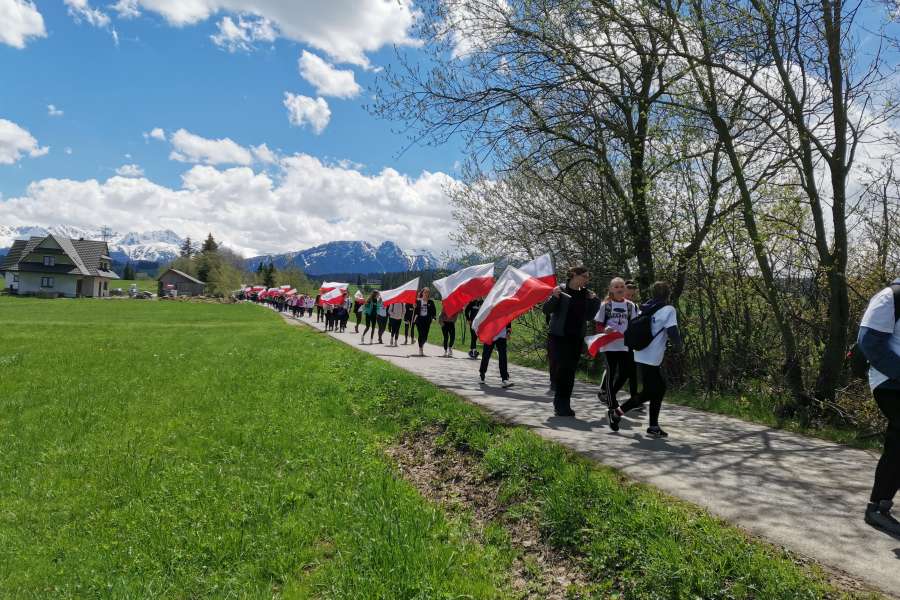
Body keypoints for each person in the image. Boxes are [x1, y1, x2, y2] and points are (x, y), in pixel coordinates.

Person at [608, 281, 682, 438]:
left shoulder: (646, 307)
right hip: (651, 356)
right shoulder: (669, 309)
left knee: (657, 389)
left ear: (653, 293)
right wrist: (679, 347)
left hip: (640, 353)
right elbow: (673, 331)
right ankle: (617, 413)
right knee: (652, 391)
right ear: (668, 294)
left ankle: (653, 426)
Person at [858, 278, 900, 536]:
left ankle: (880, 506)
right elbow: (869, 343)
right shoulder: (891, 297)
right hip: (889, 382)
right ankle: (876, 508)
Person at [542, 266, 601, 417]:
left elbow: (589, 316)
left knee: (569, 372)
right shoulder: (561, 290)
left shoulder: (586, 294)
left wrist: (595, 301)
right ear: (574, 275)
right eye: (584, 276)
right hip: (559, 336)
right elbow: (546, 310)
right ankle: (559, 404)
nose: (587, 280)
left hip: (576, 338)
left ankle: (564, 404)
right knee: (562, 369)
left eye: (588, 277)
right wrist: (554, 297)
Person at [594, 277, 638, 415]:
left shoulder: (630, 306)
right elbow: (598, 325)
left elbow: (634, 324)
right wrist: (604, 329)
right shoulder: (605, 305)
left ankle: (609, 394)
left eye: (621, 286)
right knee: (611, 372)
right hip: (609, 344)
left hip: (624, 344)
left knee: (625, 372)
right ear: (611, 289)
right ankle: (612, 402)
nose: (619, 289)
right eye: (616, 287)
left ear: (625, 289)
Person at [412, 288, 437, 357]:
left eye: (427, 292)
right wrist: (414, 306)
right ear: (422, 293)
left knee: (425, 337)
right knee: (420, 334)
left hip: (427, 320)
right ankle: (420, 348)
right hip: (419, 320)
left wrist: (434, 318)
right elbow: (415, 310)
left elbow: (434, 311)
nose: (426, 294)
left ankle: (422, 344)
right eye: (425, 292)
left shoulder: (431, 302)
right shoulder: (418, 301)